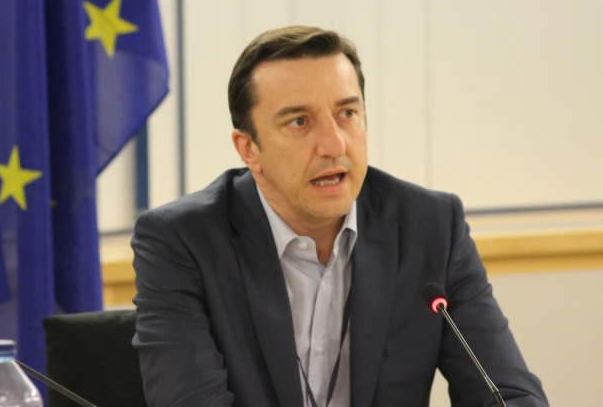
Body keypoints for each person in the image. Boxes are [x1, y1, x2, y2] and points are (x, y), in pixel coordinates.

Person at [130, 26, 548, 407]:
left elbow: (508, 394)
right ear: (249, 149)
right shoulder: (182, 242)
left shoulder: (432, 227)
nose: (333, 144)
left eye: (347, 113)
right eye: (299, 121)